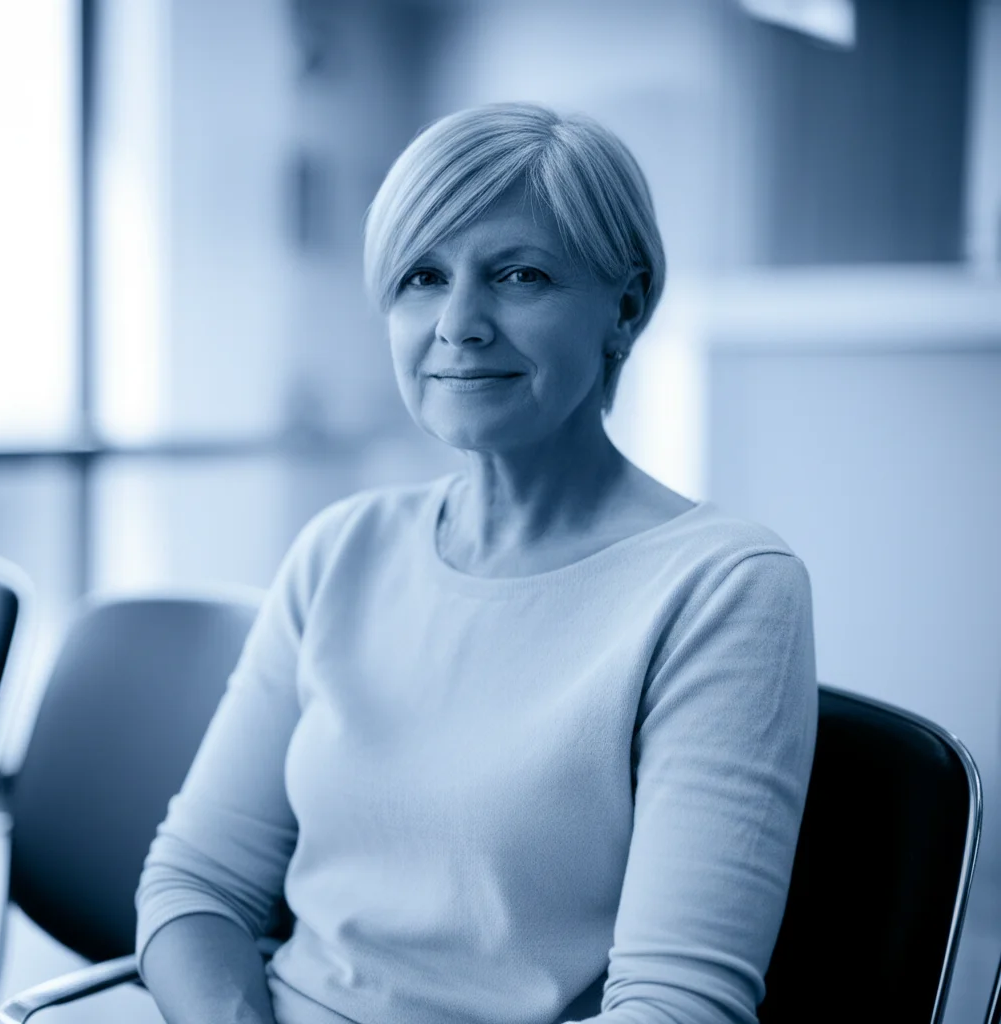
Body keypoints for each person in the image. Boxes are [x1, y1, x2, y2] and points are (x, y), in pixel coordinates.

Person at [135, 101, 818, 1024]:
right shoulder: (342, 549)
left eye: (521, 275)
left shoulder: (724, 587)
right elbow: (195, 884)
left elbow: (676, 1009)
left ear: (625, 307)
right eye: (422, 276)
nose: (459, 323)